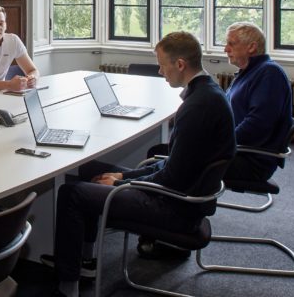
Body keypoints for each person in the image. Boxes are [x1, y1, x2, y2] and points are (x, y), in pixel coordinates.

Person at [45, 32, 235, 297]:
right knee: (90, 170)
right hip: (182, 192)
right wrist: (123, 172)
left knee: (71, 193)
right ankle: (84, 262)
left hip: (176, 206)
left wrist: (123, 182)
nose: (160, 71)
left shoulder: (198, 107)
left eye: (162, 64)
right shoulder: (208, 92)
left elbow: (171, 177)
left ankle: (68, 286)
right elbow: (172, 164)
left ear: (180, 64)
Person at [223, 21, 294, 182]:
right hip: (238, 150)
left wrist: (219, 143)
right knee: (177, 150)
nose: (226, 49)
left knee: (183, 157)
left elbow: (257, 125)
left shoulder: (269, 73)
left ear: (251, 47)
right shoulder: (248, 72)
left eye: (231, 44)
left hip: (250, 160)